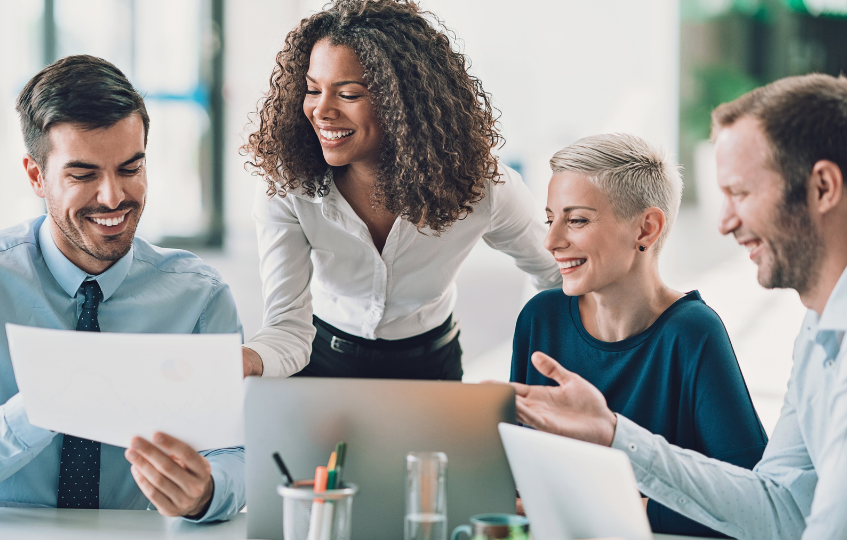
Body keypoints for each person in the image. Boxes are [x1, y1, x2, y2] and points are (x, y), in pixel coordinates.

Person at [0, 55, 245, 521]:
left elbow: (237, 456)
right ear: (35, 176)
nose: (113, 197)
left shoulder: (199, 298)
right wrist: (49, 402)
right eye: (83, 175)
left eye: (130, 168)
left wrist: (207, 492)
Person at [511, 73, 847, 540]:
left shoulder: (694, 330)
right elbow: (779, 511)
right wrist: (612, 432)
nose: (725, 222)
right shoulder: (817, 337)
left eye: (742, 193)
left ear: (824, 188)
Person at [240, 0, 561, 379]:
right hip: (321, 357)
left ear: (402, 102)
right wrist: (246, 362)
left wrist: (535, 357)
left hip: (430, 365)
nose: (321, 111)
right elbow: (286, 330)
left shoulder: (481, 186)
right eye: (313, 90)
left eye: (348, 94)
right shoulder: (289, 187)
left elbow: (555, 275)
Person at [510, 133, 766, 537]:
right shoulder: (540, 318)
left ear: (646, 229)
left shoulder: (693, 334)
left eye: (576, 220)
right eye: (550, 218)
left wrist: (596, 507)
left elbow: (753, 507)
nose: (551, 241)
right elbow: (515, 479)